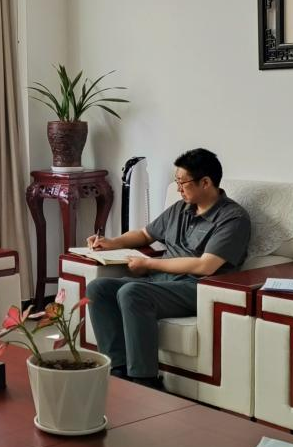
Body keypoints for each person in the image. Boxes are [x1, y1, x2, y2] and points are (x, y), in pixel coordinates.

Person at [85, 148, 251, 389]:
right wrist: (112, 242)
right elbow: (145, 234)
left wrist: (149, 263)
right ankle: (118, 371)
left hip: (196, 287)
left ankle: (145, 381)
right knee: (98, 289)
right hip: (160, 282)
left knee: (132, 292)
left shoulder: (233, 218)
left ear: (205, 182)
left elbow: (206, 265)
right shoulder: (180, 208)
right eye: (177, 182)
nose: (178, 188)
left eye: (183, 183)